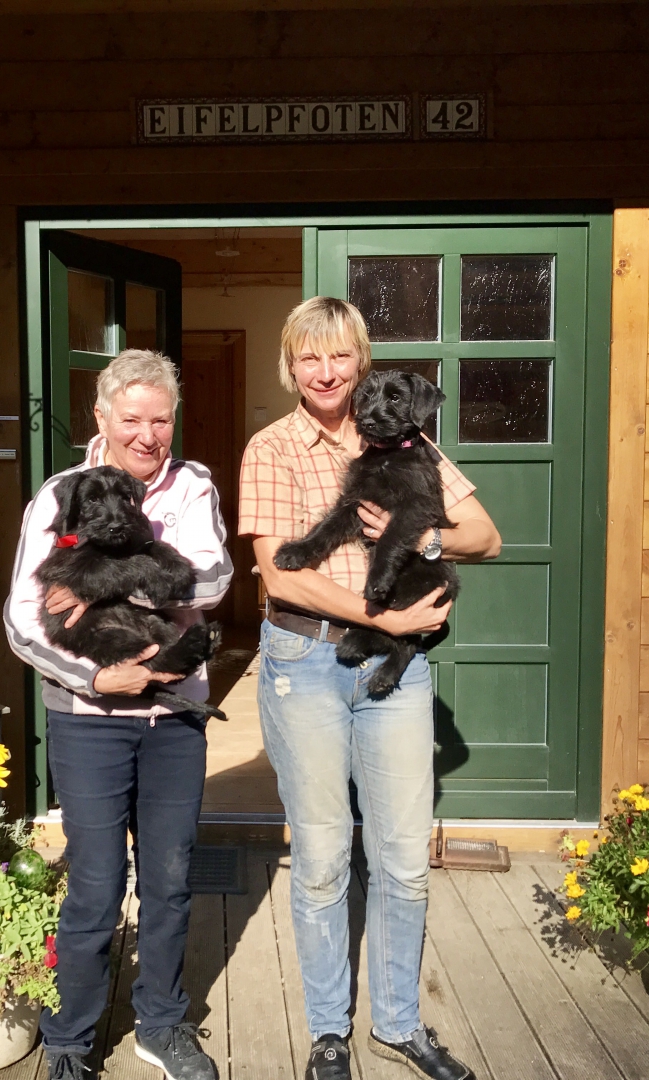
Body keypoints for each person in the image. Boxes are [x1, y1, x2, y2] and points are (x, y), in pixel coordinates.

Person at [238, 297, 501, 1080]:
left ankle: (397, 1024)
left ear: (361, 362)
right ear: (290, 366)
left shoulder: (404, 436)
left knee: (402, 857)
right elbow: (280, 573)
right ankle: (329, 1032)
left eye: (340, 356)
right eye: (308, 357)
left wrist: (423, 536)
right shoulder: (272, 448)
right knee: (323, 857)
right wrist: (385, 617)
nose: (325, 372)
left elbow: (487, 537)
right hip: (307, 661)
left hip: (399, 667)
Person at [5, 349, 233, 1080]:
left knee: (169, 877)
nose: (147, 434)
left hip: (175, 717)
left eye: (160, 420)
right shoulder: (59, 495)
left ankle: (161, 1024)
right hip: (89, 716)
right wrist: (101, 674)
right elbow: (24, 619)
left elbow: (210, 582)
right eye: (132, 418)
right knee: (96, 883)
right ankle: (70, 1038)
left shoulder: (192, 485)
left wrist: (100, 585)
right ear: (101, 417)